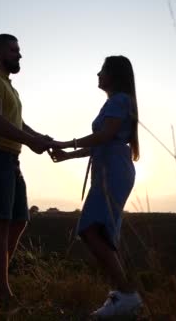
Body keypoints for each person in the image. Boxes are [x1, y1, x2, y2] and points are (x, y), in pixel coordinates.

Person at [48, 55, 143, 318]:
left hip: (113, 170)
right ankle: (122, 296)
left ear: (113, 74)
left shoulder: (119, 101)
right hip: (108, 169)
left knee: (91, 229)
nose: (97, 74)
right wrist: (67, 154)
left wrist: (67, 143)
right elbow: (100, 143)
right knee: (99, 232)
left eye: (102, 70)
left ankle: (126, 295)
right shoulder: (115, 102)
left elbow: (104, 136)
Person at [0, 34, 52, 305]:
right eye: (14, 50)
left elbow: (17, 122)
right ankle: (3, 292)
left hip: (10, 160)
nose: (19, 55)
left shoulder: (9, 88)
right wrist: (31, 142)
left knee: (19, 221)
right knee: (1, 221)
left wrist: (39, 138)